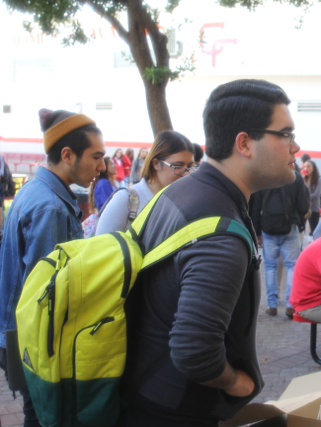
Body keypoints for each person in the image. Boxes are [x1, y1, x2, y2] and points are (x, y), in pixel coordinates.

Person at [116, 79, 300, 426]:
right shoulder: (219, 233)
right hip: (176, 411)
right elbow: (194, 350)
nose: (296, 147)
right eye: (286, 134)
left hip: (146, 395)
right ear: (244, 143)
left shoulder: (180, 192)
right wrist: (235, 381)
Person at [0, 109, 106, 427]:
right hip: (34, 343)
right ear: (67, 154)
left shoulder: (36, 191)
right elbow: (48, 299)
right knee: (46, 418)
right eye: (96, 156)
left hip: (17, 336)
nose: (102, 167)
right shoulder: (52, 208)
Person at [96, 131, 195, 235]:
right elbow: (100, 247)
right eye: (178, 166)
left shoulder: (184, 201)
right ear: (156, 164)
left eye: (190, 167)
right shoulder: (126, 199)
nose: (186, 173)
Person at [251, 170, 309, 318]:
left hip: (268, 229)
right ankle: (290, 305)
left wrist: (257, 231)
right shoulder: (295, 178)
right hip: (290, 227)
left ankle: (272, 305)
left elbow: (255, 208)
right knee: (292, 266)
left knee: (270, 266)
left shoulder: (263, 176)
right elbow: (303, 206)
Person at [304, 160, 321, 236]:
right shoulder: (303, 178)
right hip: (304, 207)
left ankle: (313, 244)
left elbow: (316, 195)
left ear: (313, 168)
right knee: (301, 229)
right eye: (305, 166)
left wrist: (303, 198)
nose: (306, 168)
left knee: (314, 230)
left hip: (314, 208)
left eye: (308, 166)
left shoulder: (319, 179)